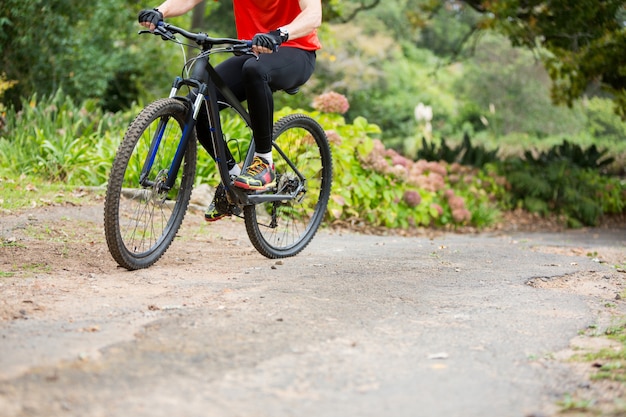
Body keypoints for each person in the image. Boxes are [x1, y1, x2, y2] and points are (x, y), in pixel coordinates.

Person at [138, 0, 322, 221]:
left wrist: (279, 34)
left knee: (255, 70)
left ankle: (264, 161)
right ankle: (232, 179)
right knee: (196, 105)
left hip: (296, 51)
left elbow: (313, 15)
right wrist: (160, 11)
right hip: (252, 51)